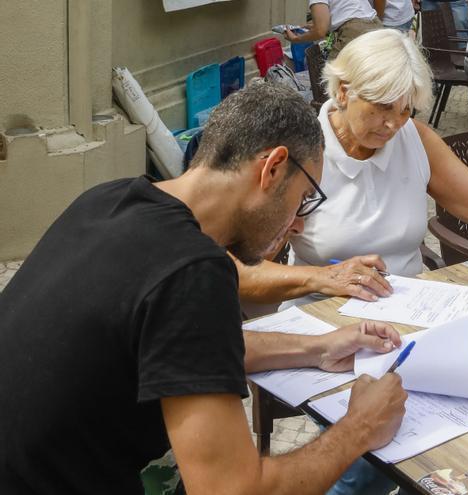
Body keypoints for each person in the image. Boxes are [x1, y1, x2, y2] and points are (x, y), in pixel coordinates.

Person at [0, 83, 410, 494]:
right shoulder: (194, 271)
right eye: (304, 199)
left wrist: (317, 347)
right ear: (272, 168)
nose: (298, 224)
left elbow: (187, 348)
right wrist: (359, 428)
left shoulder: (107, 201)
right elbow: (229, 490)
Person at [234, 29, 468, 310]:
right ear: (344, 90)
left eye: (405, 110)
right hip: (324, 315)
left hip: (411, 309)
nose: (392, 124)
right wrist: (319, 278)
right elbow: (244, 274)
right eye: (382, 106)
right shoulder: (301, 151)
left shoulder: (413, 138)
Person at [284, 0, 383, 59]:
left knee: (332, 79)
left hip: (354, 31)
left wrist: (297, 39)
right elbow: (346, 10)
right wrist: (320, 27)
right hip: (376, 26)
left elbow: (320, 31)